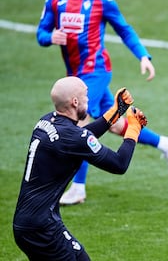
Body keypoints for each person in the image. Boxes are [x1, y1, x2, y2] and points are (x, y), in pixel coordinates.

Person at [36, 0, 168, 205]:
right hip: (75, 75)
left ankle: (78, 188)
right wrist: (50, 38)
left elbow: (124, 29)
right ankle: (165, 143)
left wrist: (143, 56)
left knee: (77, 124)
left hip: (96, 70)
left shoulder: (102, 1)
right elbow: (41, 33)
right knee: (114, 125)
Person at [13, 76, 148, 260]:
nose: (89, 99)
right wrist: (133, 129)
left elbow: (83, 137)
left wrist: (116, 111)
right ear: (75, 102)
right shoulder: (73, 137)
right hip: (41, 228)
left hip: (30, 222)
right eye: (86, 96)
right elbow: (119, 164)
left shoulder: (46, 122)